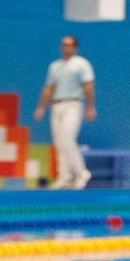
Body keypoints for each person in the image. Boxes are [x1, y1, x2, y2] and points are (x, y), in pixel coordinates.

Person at [36, 37, 95, 190]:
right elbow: (49, 87)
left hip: (73, 104)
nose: (65, 48)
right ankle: (64, 176)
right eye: (63, 45)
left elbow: (88, 86)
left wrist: (90, 107)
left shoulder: (82, 64)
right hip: (57, 105)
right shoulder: (55, 66)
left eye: (69, 45)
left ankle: (82, 173)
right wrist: (41, 107)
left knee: (67, 140)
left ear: (75, 47)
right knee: (59, 143)